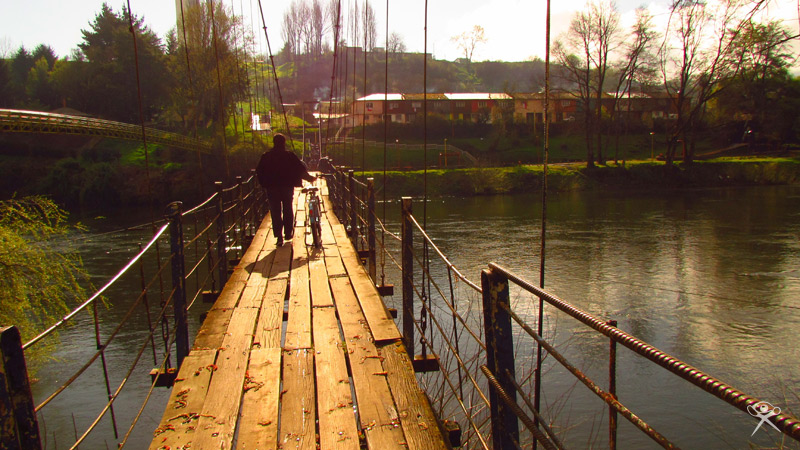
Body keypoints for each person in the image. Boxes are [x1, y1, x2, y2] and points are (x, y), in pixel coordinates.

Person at [256, 133, 315, 246]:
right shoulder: (289, 156)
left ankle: (278, 236)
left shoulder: (266, 156)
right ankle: (288, 233)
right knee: (288, 208)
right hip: (287, 187)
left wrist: (263, 184)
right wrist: (309, 178)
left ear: (274, 143)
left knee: (275, 211)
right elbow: (299, 169)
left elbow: (259, 171)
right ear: (284, 143)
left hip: (272, 188)